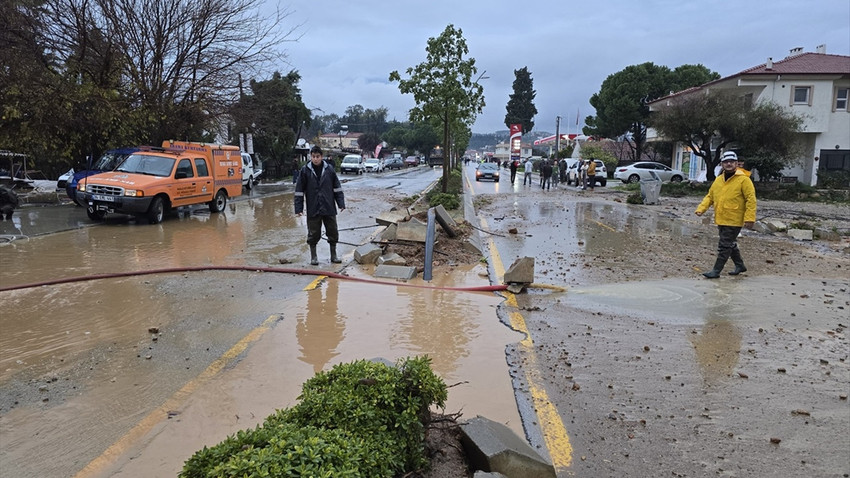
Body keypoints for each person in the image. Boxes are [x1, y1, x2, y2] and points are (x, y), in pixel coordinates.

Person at [695, 151, 757, 279]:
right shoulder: (718, 180)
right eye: (726, 162)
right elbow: (710, 196)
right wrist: (701, 208)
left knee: (724, 245)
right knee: (730, 243)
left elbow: (751, 200)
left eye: (731, 162)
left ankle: (716, 271)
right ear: (722, 164)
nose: (729, 164)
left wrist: (750, 218)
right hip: (721, 218)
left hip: (734, 220)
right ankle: (740, 265)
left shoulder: (744, 180)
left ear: (736, 163)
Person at [295, 146, 346, 265]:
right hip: (313, 207)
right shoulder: (305, 171)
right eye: (313, 157)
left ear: (321, 157)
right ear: (311, 157)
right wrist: (299, 209)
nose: (315, 159)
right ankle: (314, 257)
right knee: (313, 233)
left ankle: (333, 256)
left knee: (333, 231)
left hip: (329, 207)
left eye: (317, 157)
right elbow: (299, 191)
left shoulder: (329, 170)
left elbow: (337, 188)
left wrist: (341, 203)